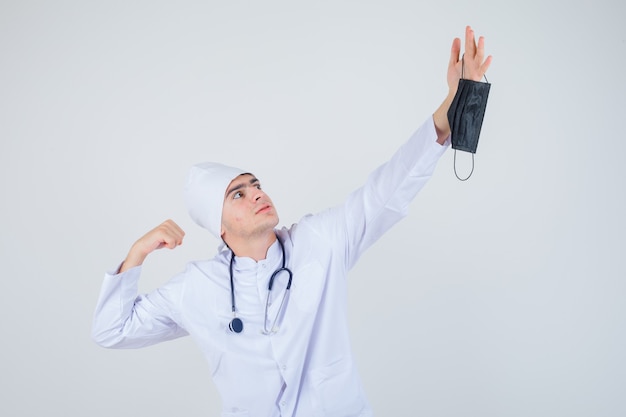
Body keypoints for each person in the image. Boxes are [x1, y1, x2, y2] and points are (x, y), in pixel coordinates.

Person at [92, 26, 492, 417]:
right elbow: (112, 331)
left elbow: (385, 192)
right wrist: (137, 253)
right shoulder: (196, 289)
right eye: (239, 194)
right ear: (220, 225)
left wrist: (452, 108)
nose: (258, 195)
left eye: (256, 185)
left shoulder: (319, 241)